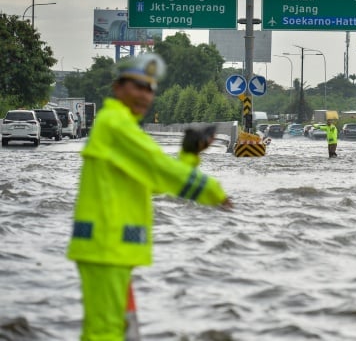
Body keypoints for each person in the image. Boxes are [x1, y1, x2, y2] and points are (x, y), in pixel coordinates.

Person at [66, 53, 233, 341]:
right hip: (106, 246)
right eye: (138, 86)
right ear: (118, 88)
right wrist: (213, 192)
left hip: (112, 247)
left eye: (150, 88)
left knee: (119, 328)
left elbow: (151, 182)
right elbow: (159, 167)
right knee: (104, 331)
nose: (145, 95)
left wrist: (190, 156)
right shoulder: (115, 126)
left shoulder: (121, 125)